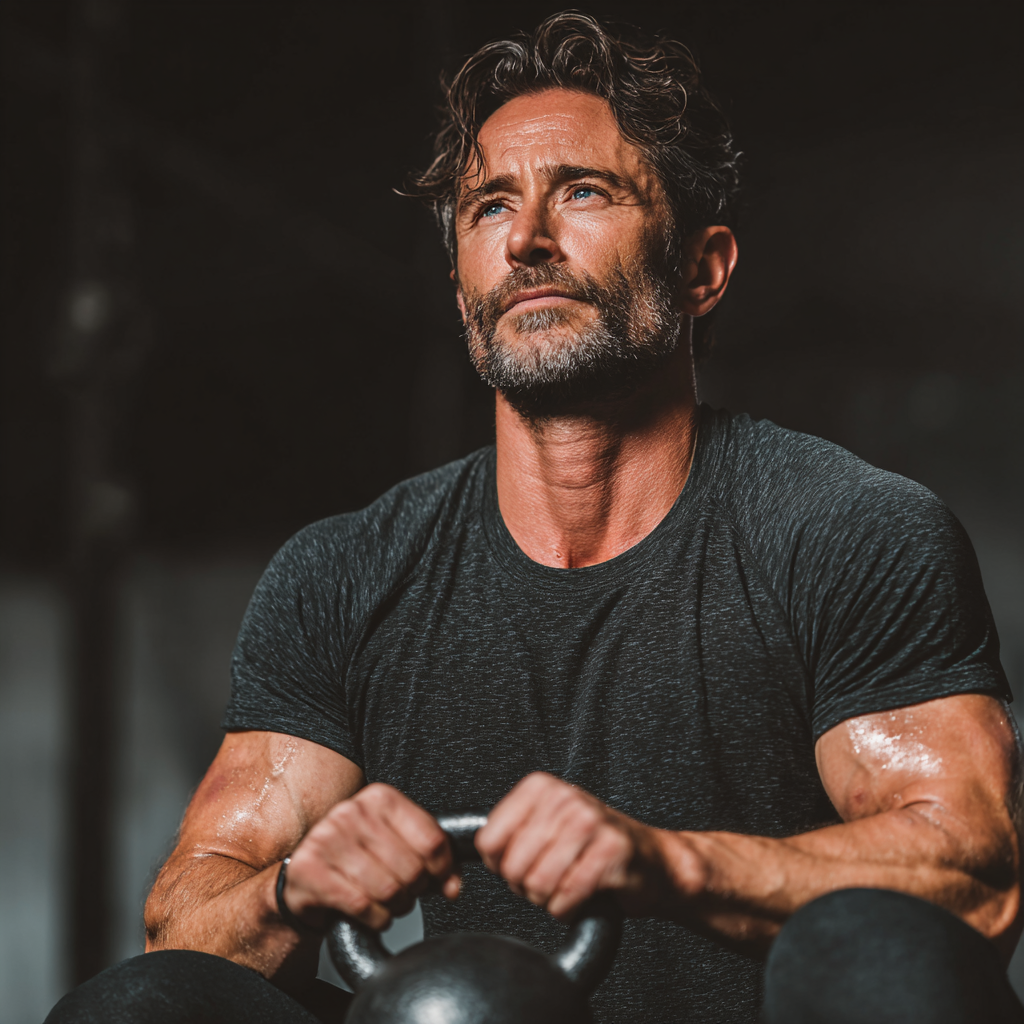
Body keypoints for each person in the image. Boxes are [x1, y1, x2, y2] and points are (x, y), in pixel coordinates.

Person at [47, 12, 1024, 1024]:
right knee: (145, 1005)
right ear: (462, 277)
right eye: (488, 207)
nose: (526, 240)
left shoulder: (848, 533)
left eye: (584, 193)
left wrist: (668, 864)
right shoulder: (345, 573)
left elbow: (972, 877)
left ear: (702, 268)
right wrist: (294, 888)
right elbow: (185, 923)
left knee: (881, 958)